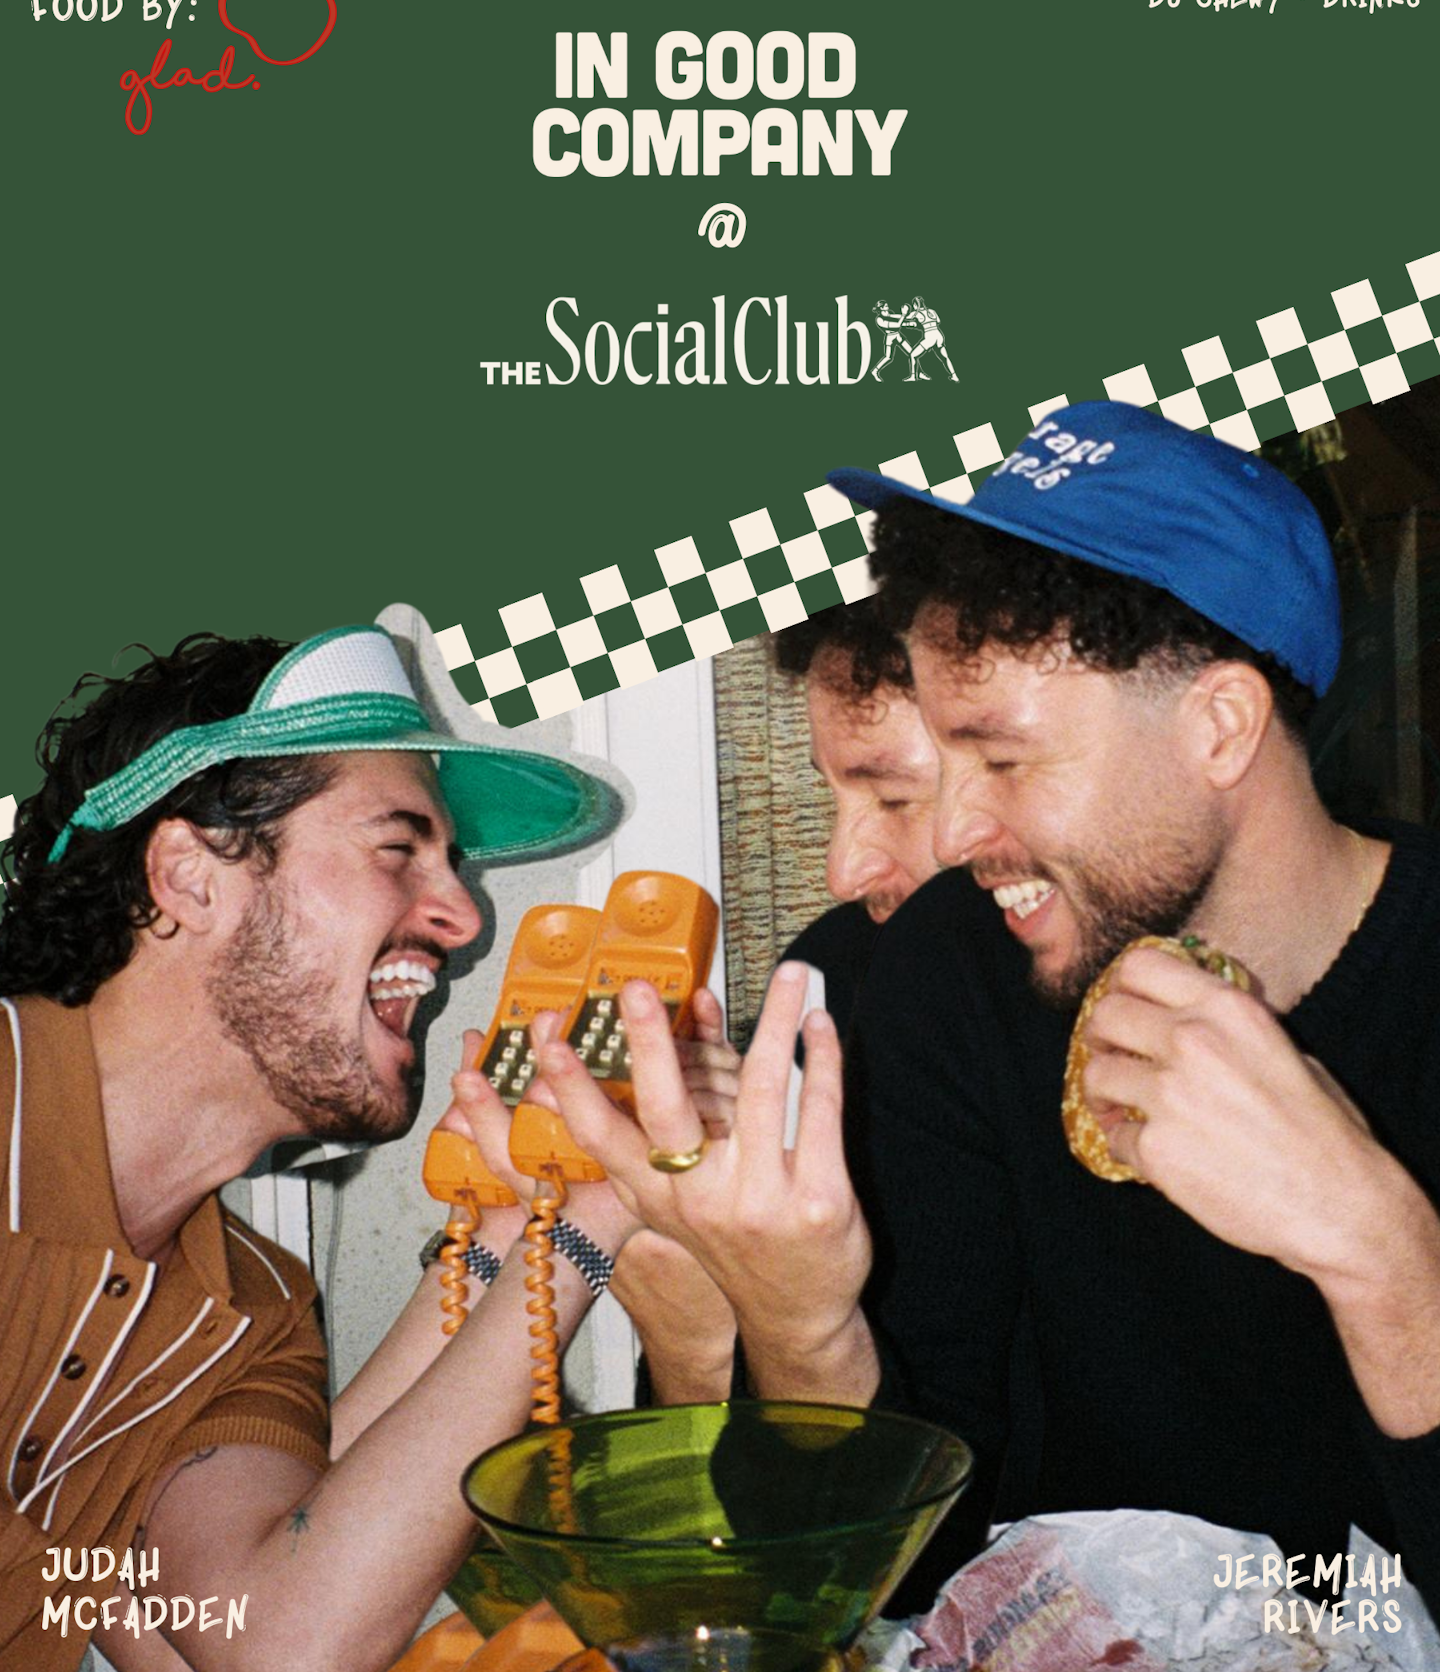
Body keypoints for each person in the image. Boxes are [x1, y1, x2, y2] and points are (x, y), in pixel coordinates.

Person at [540, 402, 1440, 1622]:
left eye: (1003, 760)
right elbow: (904, 1581)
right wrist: (802, 1324)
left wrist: (1387, 1258)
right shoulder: (949, 978)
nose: (959, 832)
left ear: (1220, 727)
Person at [0, 615, 641, 1672]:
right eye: (399, 848)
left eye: (451, 862)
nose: (464, 917)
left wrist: (556, 1223)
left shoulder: (251, 1315)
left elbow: (273, 1638)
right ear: (191, 875)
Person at [613, 601, 943, 1404]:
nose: (841, 871)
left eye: (894, 799)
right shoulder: (835, 970)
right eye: (833, 797)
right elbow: (743, 1454)